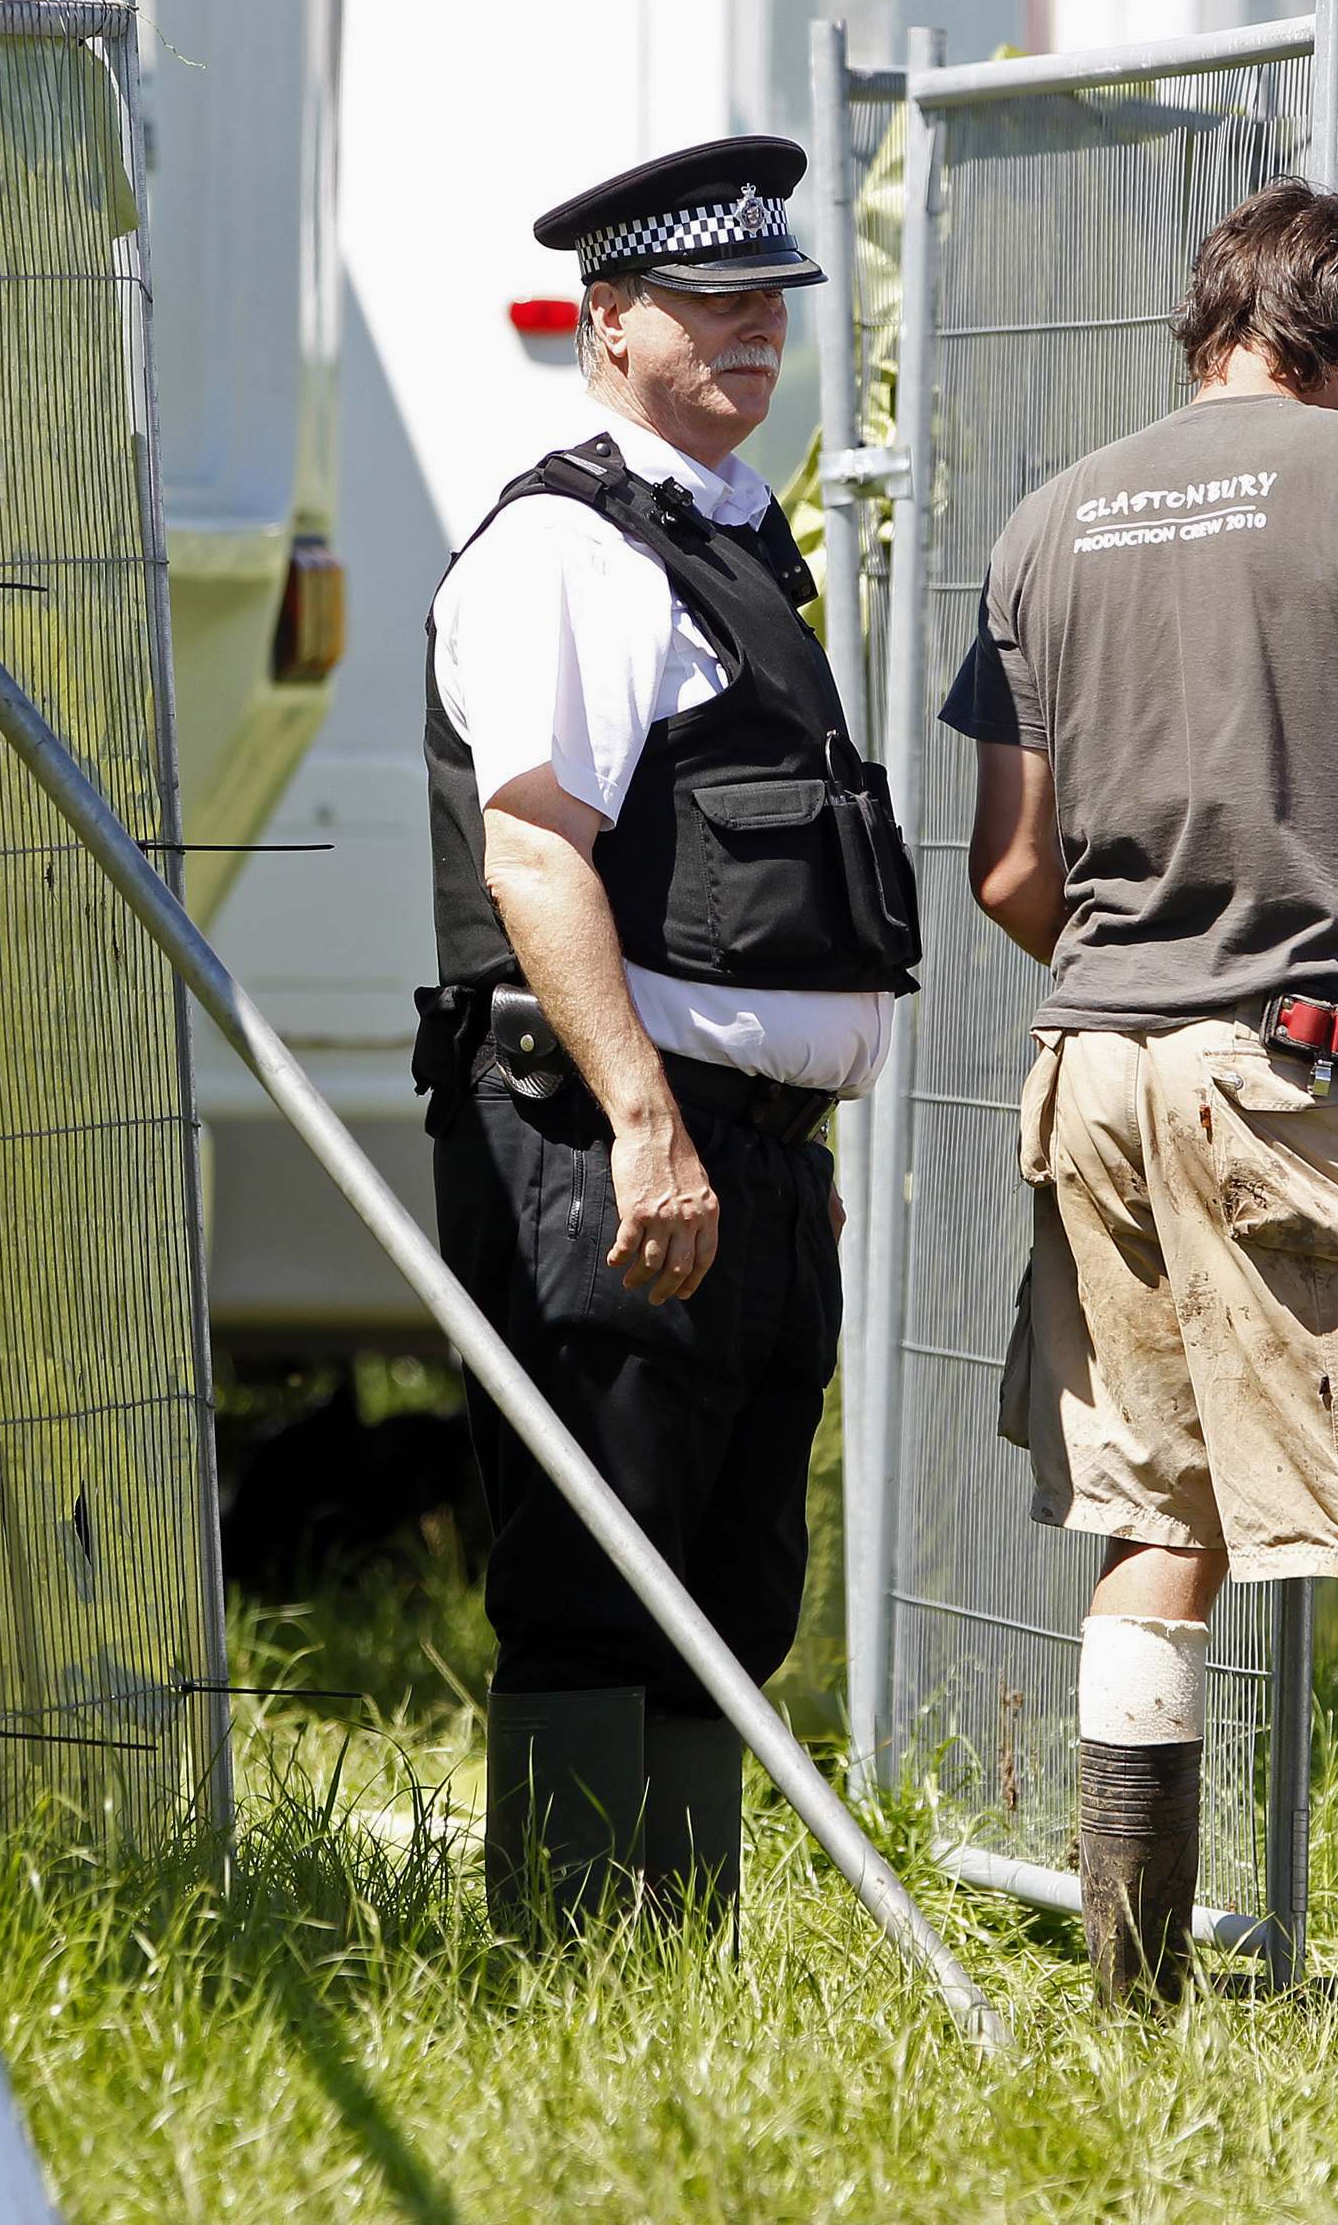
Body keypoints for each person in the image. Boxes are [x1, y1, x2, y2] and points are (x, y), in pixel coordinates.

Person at [948, 177, 1338, 2013]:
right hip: (1304, 1074)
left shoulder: (1047, 521)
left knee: (1159, 1524)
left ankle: (1130, 1991)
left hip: (1097, 1063)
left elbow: (1007, 870)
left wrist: (1152, 923)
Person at [414, 136, 920, 1936]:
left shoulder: (726, 537)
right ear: (607, 321)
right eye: (710, 308)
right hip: (607, 1141)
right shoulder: (564, 547)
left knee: (732, 1583)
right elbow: (535, 844)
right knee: (597, 1572)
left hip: (746, 1155)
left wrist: (783, 1144)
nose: (755, 341)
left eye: (771, 306)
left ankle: (680, 1965)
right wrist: (647, 1117)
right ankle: (569, 1969)